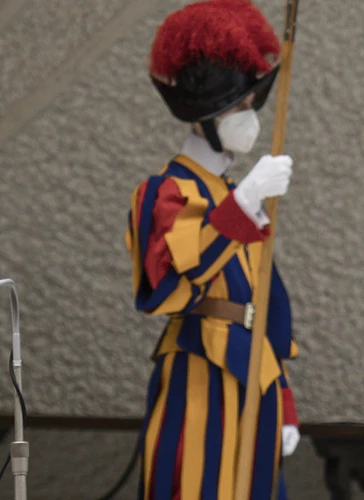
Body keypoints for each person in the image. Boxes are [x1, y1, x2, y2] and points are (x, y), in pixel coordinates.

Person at [125, 1, 300, 498]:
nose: (249, 118)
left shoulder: (230, 195)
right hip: (202, 370)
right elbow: (168, 287)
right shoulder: (164, 191)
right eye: (236, 108)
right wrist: (245, 202)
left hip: (256, 373)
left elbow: (266, 303)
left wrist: (284, 400)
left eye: (249, 105)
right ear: (204, 117)